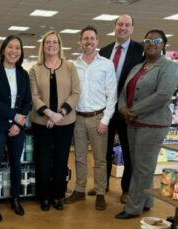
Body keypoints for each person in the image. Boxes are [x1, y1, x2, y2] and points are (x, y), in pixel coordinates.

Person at [115, 29, 178, 219]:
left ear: (163, 44)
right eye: (148, 40)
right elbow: (123, 93)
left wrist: (134, 110)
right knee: (142, 165)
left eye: (156, 40)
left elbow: (163, 95)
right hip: (133, 123)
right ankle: (147, 201)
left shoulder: (169, 67)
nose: (151, 43)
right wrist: (123, 108)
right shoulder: (137, 67)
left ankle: (133, 208)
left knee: (142, 167)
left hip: (152, 124)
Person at [87, 15, 144, 204]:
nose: (123, 28)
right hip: (106, 109)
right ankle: (102, 186)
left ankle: (126, 189)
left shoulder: (140, 50)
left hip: (128, 110)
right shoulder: (104, 50)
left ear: (132, 29)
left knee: (128, 151)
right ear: (114, 27)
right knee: (102, 150)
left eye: (128, 25)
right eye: (120, 24)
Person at [64, 26, 117, 211]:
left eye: (92, 38)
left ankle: (100, 192)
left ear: (97, 41)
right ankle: (79, 189)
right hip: (77, 117)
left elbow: (112, 95)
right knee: (79, 157)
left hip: (98, 118)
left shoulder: (106, 64)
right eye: (85, 38)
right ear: (80, 42)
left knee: (100, 159)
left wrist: (105, 120)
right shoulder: (72, 65)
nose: (88, 42)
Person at [29, 30, 79, 212]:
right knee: (42, 161)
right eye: (47, 42)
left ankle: (57, 195)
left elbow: (75, 93)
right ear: (43, 46)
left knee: (60, 160)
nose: (51, 45)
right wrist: (50, 114)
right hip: (42, 122)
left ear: (59, 45)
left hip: (65, 122)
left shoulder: (70, 67)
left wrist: (61, 113)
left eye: (54, 42)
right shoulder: (35, 69)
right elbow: (34, 96)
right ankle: (43, 197)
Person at [0, 35, 32, 222]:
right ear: (3, 50)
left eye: (17, 48)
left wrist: (18, 123)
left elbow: (27, 102)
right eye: (10, 47)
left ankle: (15, 199)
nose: (14, 51)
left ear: (21, 52)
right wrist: (14, 116)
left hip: (17, 128)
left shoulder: (23, 74)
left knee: (17, 165)